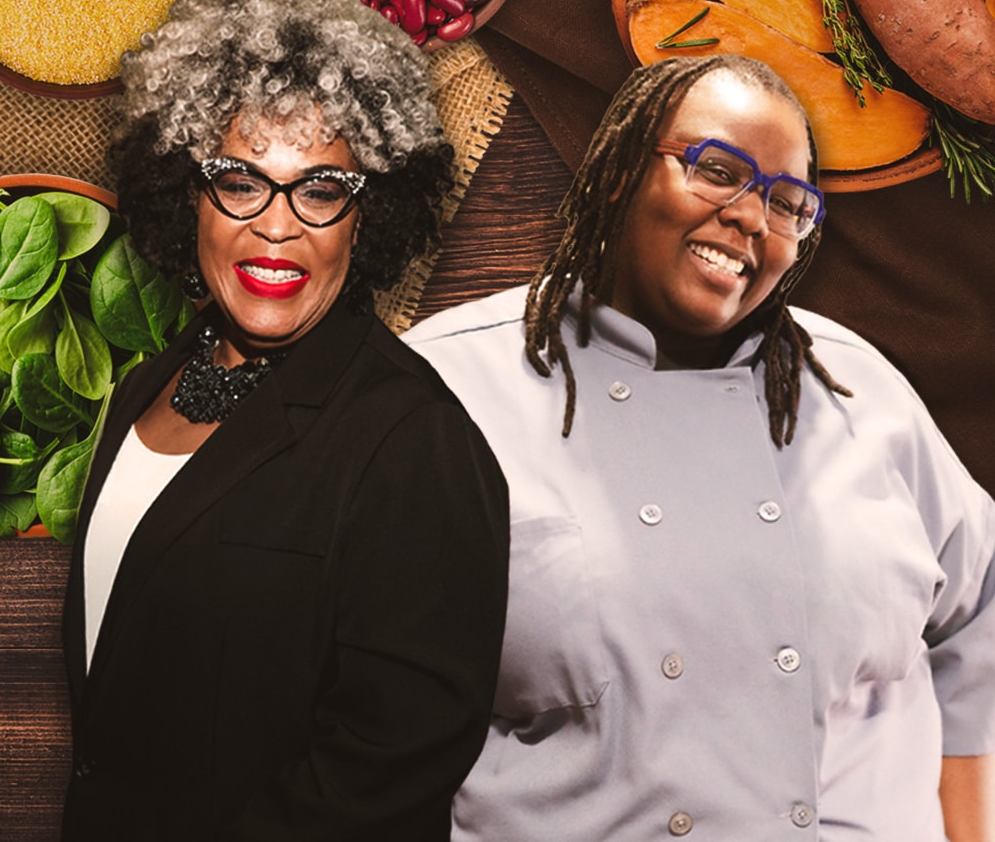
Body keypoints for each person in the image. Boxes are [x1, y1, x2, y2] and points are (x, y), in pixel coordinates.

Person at [403, 54, 995, 840]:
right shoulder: (449, 384)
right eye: (718, 170)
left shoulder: (858, 390)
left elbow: (981, 608)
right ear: (618, 170)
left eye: (788, 204)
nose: (753, 217)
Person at [60, 0, 510, 841]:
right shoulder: (146, 386)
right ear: (187, 192)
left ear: (363, 218)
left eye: (320, 189)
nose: (277, 225)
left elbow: (396, 755)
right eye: (240, 180)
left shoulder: (414, 439)